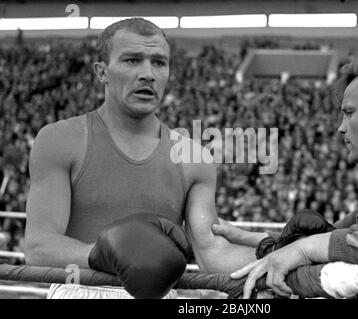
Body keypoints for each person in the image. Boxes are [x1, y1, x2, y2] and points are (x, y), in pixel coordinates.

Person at [23, 18, 257, 298]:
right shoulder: (60, 139)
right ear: (101, 72)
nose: (148, 73)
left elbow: (212, 253)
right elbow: (38, 247)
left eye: (159, 62)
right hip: (81, 288)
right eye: (132, 60)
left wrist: (284, 254)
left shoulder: (194, 157)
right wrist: (102, 255)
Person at [213, 53, 358, 298]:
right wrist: (259, 241)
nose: (341, 127)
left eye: (349, 112)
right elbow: (337, 241)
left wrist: (306, 248)